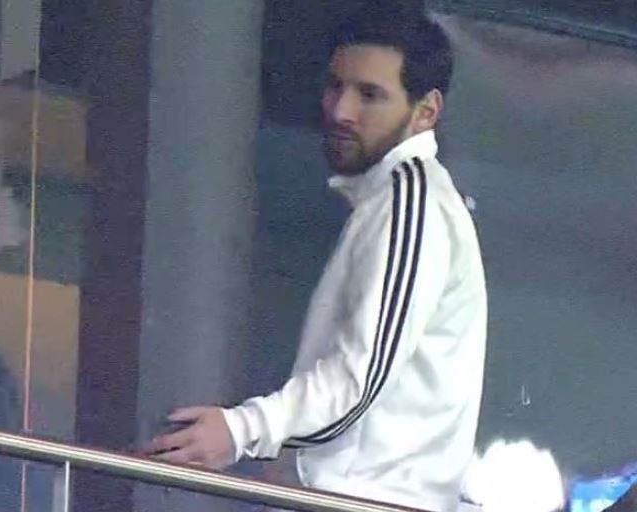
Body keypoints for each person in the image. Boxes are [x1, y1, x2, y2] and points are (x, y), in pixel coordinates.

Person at [143, 6, 487, 511]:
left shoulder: (411, 200)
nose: (341, 110)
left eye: (370, 95)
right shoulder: (395, 200)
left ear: (426, 111)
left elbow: (357, 379)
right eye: (335, 86)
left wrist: (241, 430)